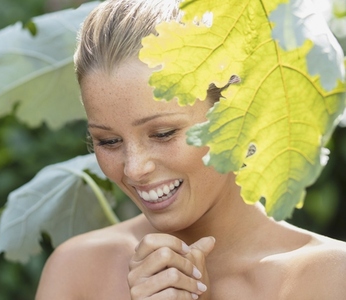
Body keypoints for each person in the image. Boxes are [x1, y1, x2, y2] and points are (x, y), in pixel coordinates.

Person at [35, 0, 346, 299]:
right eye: (109, 141)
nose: (134, 169)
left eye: (163, 133)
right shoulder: (76, 270)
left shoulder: (331, 277)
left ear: (234, 114)